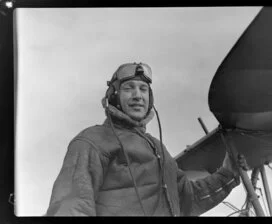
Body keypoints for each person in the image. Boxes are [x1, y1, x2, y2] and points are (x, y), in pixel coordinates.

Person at [46, 62, 247, 216]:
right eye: (128, 88)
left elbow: (188, 199)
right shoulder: (92, 141)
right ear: (113, 96)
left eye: (143, 89)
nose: (137, 96)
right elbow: (71, 204)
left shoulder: (159, 149)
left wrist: (228, 173)